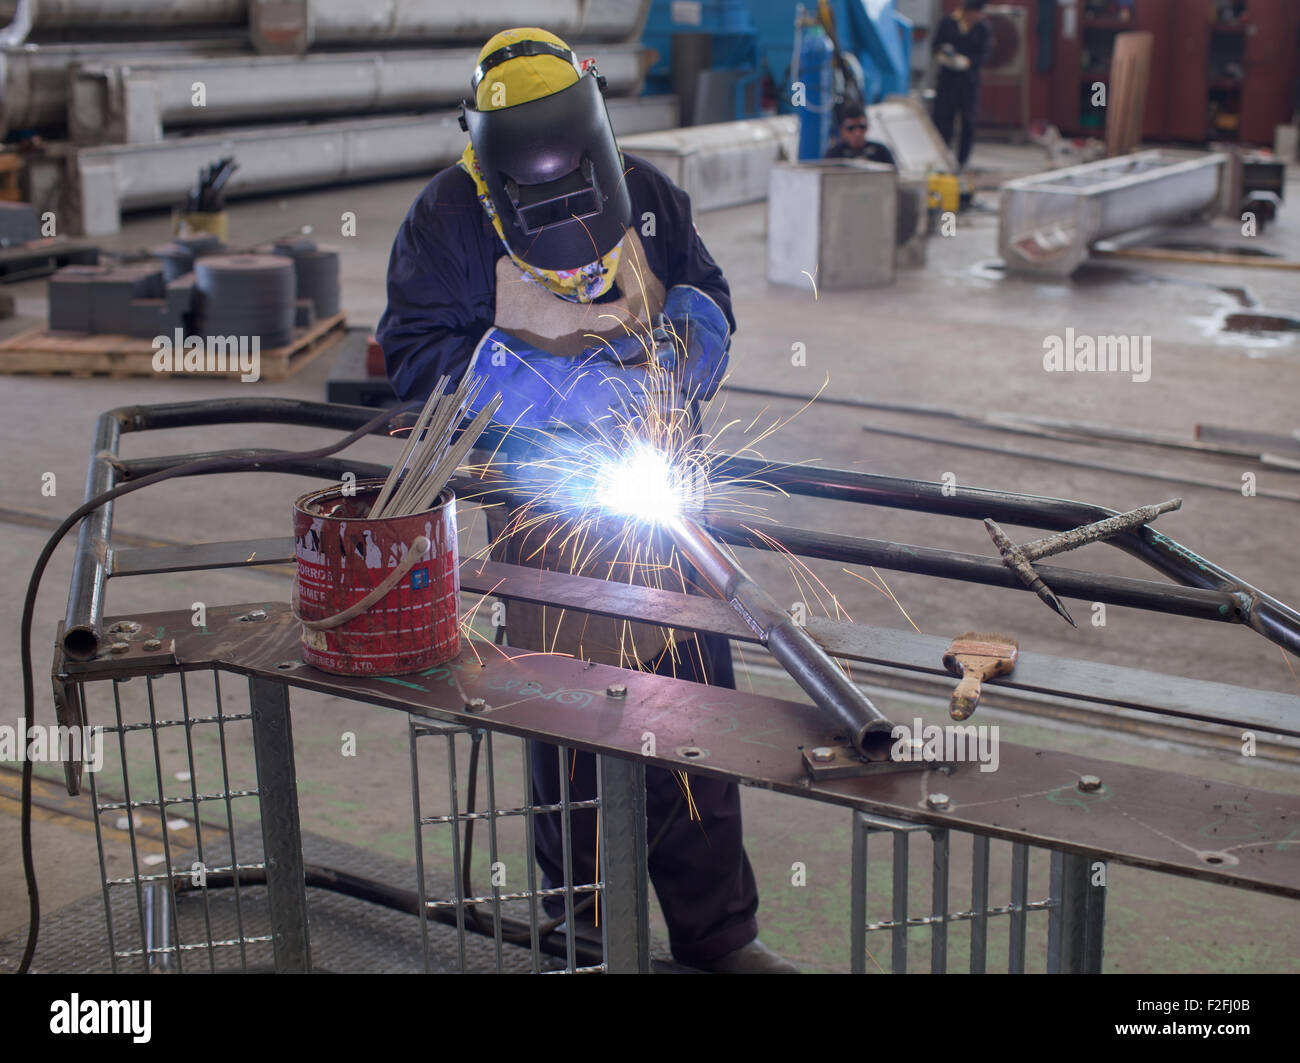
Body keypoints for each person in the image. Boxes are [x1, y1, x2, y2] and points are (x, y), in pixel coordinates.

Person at [377, 27, 798, 974]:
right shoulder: (445, 221)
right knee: (568, 732)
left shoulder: (647, 193)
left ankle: (718, 937)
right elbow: (413, 361)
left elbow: (708, 289)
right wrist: (540, 387)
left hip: (667, 510)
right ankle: (587, 941)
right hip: (546, 518)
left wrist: (695, 338)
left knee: (696, 723)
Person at [931, 0, 994, 168]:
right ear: (968, 11)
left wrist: (967, 62)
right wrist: (943, 56)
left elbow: (985, 53)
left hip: (969, 81)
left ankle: (962, 161)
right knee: (943, 118)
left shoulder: (983, 28)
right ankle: (943, 157)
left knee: (968, 120)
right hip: (947, 79)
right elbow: (935, 45)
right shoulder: (948, 23)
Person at [824, 103, 896, 166]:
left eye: (862, 127)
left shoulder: (880, 152)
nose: (857, 133)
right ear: (842, 130)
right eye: (851, 128)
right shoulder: (834, 155)